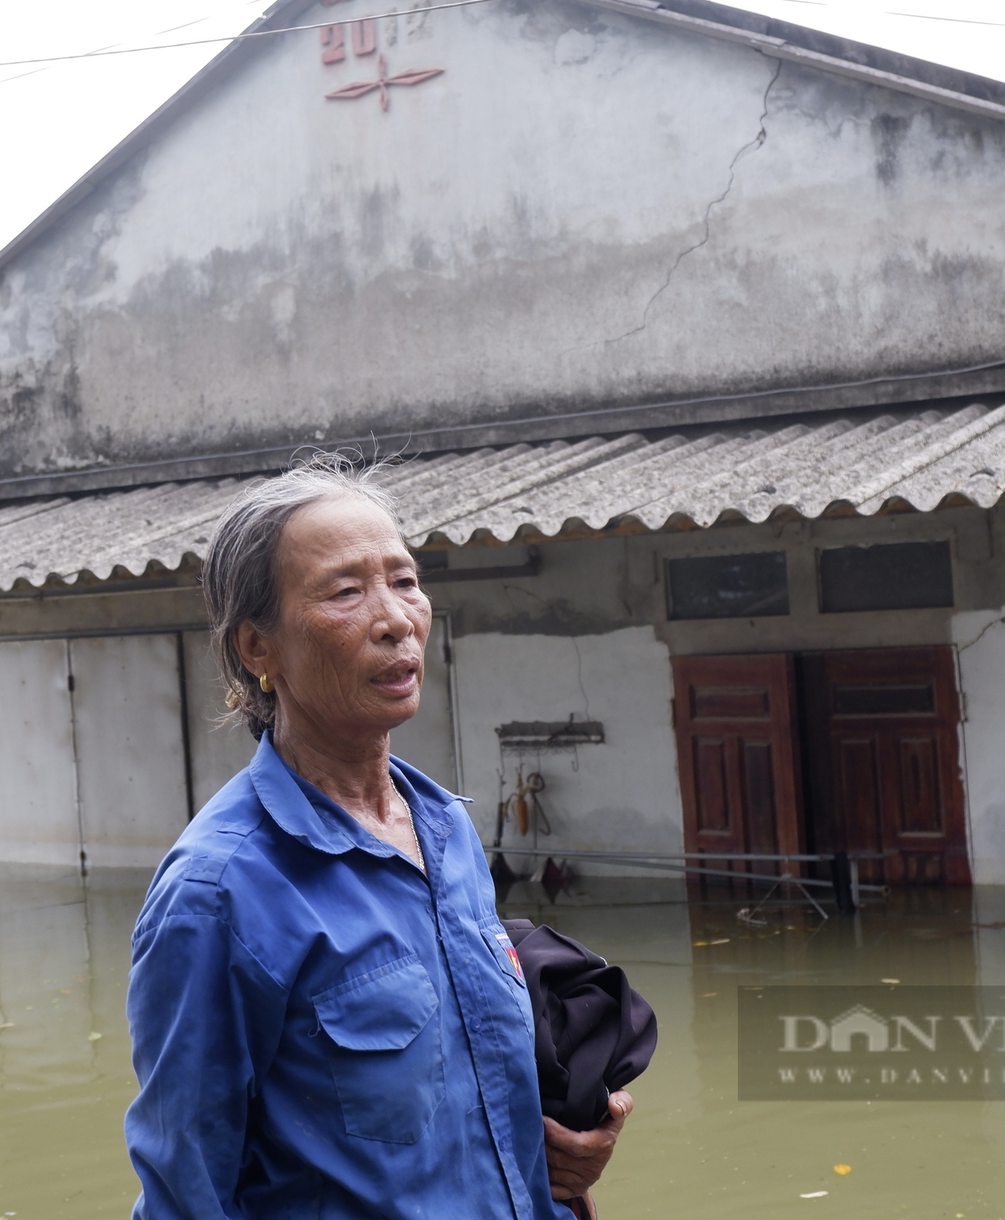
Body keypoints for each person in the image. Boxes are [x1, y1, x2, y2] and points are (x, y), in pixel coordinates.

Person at [124, 458, 634, 1220]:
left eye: (404, 580)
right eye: (345, 592)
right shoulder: (218, 892)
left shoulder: (446, 830)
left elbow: (468, 1100)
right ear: (257, 650)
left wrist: (565, 1155)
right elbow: (185, 1193)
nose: (396, 618)